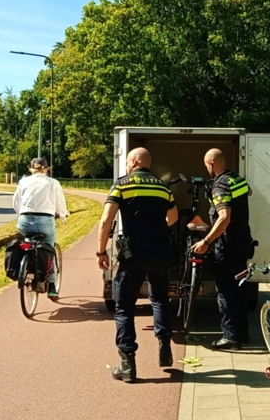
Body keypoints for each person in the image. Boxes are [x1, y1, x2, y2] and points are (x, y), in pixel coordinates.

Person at [97, 148, 179, 383]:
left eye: (127, 162)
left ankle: (127, 364)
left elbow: (106, 220)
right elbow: (172, 219)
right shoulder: (162, 187)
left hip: (133, 254)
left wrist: (101, 251)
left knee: (124, 307)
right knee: (160, 299)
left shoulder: (122, 184)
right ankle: (164, 346)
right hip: (160, 252)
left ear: (133, 162)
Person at [191, 148, 253, 349]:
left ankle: (230, 336)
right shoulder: (237, 179)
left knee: (225, 291)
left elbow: (224, 217)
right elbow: (249, 192)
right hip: (243, 241)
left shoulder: (220, 186)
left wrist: (206, 241)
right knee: (239, 289)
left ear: (210, 164)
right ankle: (241, 334)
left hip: (226, 245)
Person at [12, 157, 69, 299]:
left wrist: (22, 214)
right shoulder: (53, 183)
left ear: (31, 169)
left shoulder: (23, 182)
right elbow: (60, 203)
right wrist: (63, 215)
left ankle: (27, 267)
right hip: (45, 221)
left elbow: (16, 202)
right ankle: (51, 286)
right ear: (46, 168)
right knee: (49, 249)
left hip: (24, 220)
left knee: (27, 243)